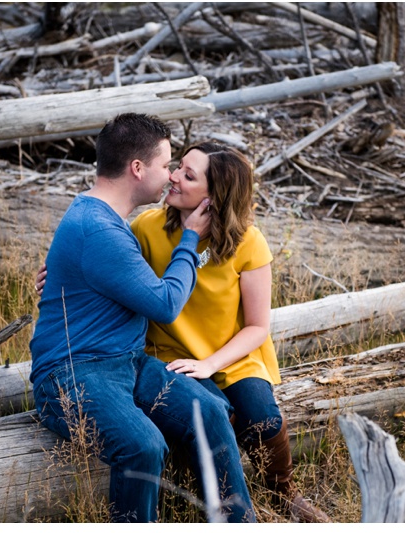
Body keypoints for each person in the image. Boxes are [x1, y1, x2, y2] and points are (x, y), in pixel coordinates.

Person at [38, 141, 329, 523]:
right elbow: (108, 264)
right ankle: (205, 499)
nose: (174, 176)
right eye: (176, 167)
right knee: (212, 416)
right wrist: (59, 276)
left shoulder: (248, 242)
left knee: (263, 420)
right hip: (167, 353)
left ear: (215, 197)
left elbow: (258, 326)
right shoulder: (146, 227)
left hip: (230, 354)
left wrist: (210, 364)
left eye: (188, 175)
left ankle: (282, 493)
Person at [29, 114, 255, 523]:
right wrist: (189, 236)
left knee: (211, 410)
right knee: (143, 445)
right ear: (137, 168)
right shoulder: (98, 228)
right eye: (167, 164)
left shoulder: (108, 221)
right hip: (72, 375)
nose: (171, 176)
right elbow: (167, 304)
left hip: (126, 363)